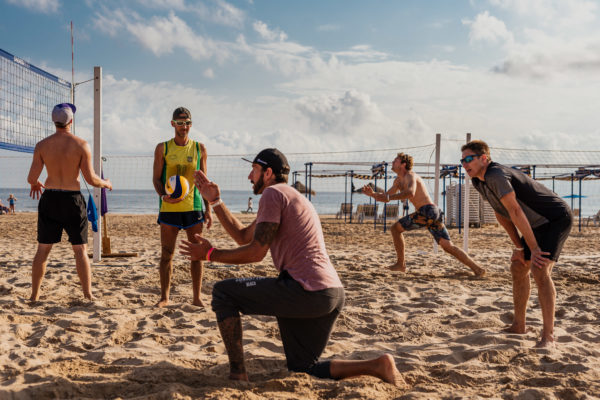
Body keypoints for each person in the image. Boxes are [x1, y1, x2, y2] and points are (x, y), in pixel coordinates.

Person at [180, 148, 404, 385]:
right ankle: (378, 365)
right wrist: (215, 201)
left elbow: (256, 252)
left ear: (268, 173)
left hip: (304, 290)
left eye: (254, 170)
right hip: (331, 293)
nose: (249, 177)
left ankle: (237, 375)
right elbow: (243, 236)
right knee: (303, 368)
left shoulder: (272, 195)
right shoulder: (289, 195)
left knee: (223, 293)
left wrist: (211, 254)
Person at [461, 140, 572, 348]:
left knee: (540, 269)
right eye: (462, 160)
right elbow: (501, 214)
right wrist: (520, 249)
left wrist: (536, 249)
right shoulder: (479, 181)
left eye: (469, 159)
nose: (464, 164)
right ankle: (519, 326)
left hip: (555, 218)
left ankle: (548, 336)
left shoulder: (495, 175)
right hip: (535, 224)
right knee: (518, 266)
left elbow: (516, 211)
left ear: (483, 158)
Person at [26, 103, 112, 302]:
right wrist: (106, 183)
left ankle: (34, 296)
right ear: (71, 121)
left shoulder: (42, 145)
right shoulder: (81, 144)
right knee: (80, 249)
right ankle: (88, 294)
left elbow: (31, 178)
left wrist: (37, 184)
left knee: (43, 249)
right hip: (72, 200)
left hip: (50, 198)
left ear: (53, 121)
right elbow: (91, 180)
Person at [362, 152, 485, 277]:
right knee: (447, 246)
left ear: (403, 164)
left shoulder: (410, 175)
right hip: (432, 212)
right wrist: (372, 194)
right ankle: (477, 269)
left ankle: (401, 264)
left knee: (395, 229)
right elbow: (386, 197)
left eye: (396, 160)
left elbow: (410, 192)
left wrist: (389, 196)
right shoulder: (398, 180)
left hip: (427, 211)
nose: (392, 162)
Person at [152, 107, 211, 307]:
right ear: (172, 124)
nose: (183, 127)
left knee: (197, 254)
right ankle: (164, 297)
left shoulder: (199, 148)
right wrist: (163, 196)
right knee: (167, 253)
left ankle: (196, 298)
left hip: (193, 207)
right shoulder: (163, 148)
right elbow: (156, 179)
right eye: (179, 123)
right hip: (169, 209)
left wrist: (208, 209)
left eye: (186, 123)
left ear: (191, 124)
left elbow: (204, 182)